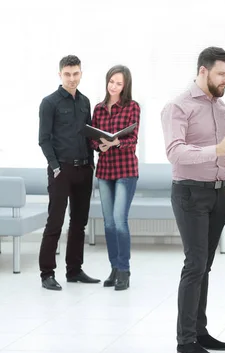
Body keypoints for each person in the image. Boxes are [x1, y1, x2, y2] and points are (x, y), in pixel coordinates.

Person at [161, 47, 225, 353]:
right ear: (204, 71)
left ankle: (200, 331)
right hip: (190, 193)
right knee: (194, 264)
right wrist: (215, 149)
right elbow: (175, 152)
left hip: (218, 194)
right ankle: (185, 340)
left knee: (205, 266)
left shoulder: (220, 107)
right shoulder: (177, 106)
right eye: (222, 74)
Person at [38, 55, 100, 291]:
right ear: (60, 74)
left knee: (79, 223)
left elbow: (88, 135)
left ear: (81, 73)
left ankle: (74, 270)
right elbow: (43, 140)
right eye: (67, 74)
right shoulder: (49, 103)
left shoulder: (84, 102)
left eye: (76, 74)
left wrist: (91, 163)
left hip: (84, 168)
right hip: (61, 170)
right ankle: (47, 273)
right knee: (55, 221)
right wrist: (55, 167)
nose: (72, 78)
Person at [89, 65, 140, 291]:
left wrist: (116, 142)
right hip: (104, 170)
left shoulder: (132, 107)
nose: (114, 86)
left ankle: (124, 270)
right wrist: (100, 144)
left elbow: (133, 140)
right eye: (111, 81)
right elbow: (91, 138)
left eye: (119, 83)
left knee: (120, 220)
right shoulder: (99, 109)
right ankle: (114, 268)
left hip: (126, 170)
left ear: (125, 86)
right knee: (108, 223)